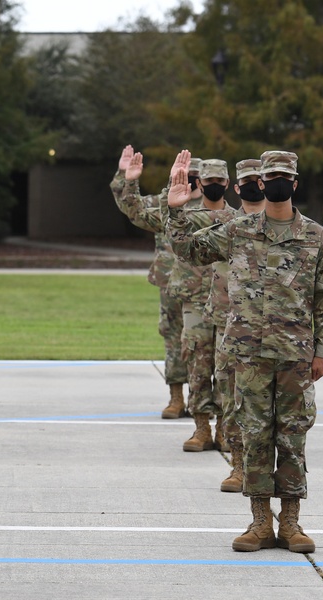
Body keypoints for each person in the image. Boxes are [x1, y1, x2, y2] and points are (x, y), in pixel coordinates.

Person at [165, 149, 323, 553]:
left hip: (296, 357)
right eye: (270, 176)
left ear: (295, 184)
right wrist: (175, 211)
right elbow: (188, 250)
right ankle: (261, 522)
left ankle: (292, 524)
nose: (277, 183)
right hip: (247, 355)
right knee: (254, 435)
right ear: (260, 185)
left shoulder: (316, 237)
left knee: (293, 436)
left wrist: (322, 350)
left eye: (285, 176)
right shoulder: (239, 231)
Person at [160, 158, 238, 454]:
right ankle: (202, 427)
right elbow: (173, 237)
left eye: (220, 181)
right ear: (200, 183)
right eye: (209, 181)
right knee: (197, 363)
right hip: (194, 301)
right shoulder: (187, 217)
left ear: (227, 184)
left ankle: (225, 430)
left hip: (225, 302)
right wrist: (173, 203)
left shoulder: (238, 219)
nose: (214, 186)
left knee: (226, 368)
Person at [110, 146, 194, 419]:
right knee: (172, 337)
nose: (189, 180)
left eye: (193, 176)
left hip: (207, 287)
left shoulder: (214, 211)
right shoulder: (164, 204)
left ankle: (205, 401)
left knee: (207, 343)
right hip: (170, 281)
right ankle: (176, 397)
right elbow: (130, 207)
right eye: (184, 174)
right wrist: (125, 176)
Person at [216, 158, 267, 492]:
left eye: (257, 179)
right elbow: (185, 246)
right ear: (237, 187)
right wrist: (175, 210)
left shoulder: (295, 228)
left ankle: (267, 473)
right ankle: (237, 465)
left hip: (279, 335)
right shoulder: (227, 224)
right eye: (245, 180)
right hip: (233, 326)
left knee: (271, 411)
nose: (251, 185)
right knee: (233, 398)